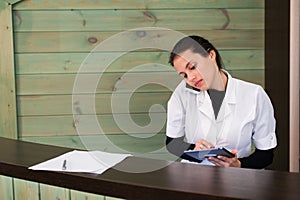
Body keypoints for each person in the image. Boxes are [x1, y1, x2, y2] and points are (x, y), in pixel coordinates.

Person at [165, 35, 277, 168]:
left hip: (238, 178)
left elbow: (266, 155)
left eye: (193, 67)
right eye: (184, 75)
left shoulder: (254, 94)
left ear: (211, 55)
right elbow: (172, 143)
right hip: (194, 175)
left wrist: (238, 165)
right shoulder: (182, 94)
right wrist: (193, 148)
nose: (191, 78)